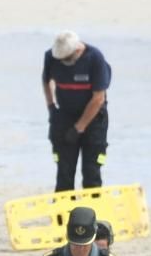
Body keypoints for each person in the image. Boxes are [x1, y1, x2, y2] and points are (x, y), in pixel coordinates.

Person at [43, 30, 112, 192]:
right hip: (65, 115)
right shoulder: (51, 57)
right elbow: (47, 82)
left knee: (91, 173)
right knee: (64, 174)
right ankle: (63, 215)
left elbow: (98, 99)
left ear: (78, 51)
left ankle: (92, 213)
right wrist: (51, 107)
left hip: (94, 118)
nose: (62, 62)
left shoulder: (95, 59)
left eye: (66, 59)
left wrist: (79, 128)